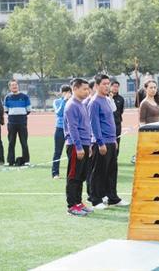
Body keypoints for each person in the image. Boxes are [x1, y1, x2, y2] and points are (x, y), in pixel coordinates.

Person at [87, 74, 128, 209]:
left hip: (111, 141)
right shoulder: (94, 102)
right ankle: (96, 199)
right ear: (97, 85)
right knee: (98, 172)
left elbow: (110, 121)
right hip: (101, 142)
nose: (107, 86)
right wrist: (100, 142)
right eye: (104, 84)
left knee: (111, 171)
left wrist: (113, 140)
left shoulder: (106, 100)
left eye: (108, 84)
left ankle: (112, 197)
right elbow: (95, 125)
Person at [63, 78, 93, 216]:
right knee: (74, 176)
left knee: (81, 176)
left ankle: (79, 203)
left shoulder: (81, 104)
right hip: (76, 146)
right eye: (84, 89)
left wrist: (89, 144)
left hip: (85, 144)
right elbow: (73, 128)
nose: (87, 91)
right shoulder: (71, 105)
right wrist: (79, 146)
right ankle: (72, 206)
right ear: (75, 89)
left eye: (88, 89)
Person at [4, 79, 32, 166]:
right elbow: (6, 110)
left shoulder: (25, 96)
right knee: (11, 142)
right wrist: (14, 115)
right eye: (12, 85)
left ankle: (26, 160)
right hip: (12, 123)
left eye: (15, 85)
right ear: (10, 87)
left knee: (24, 142)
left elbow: (28, 110)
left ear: (18, 86)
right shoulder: (7, 97)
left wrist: (20, 116)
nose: (14, 86)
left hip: (22, 123)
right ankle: (10, 161)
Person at [51, 84, 72, 179]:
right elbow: (59, 112)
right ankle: (55, 173)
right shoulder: (57, 101)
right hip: (60, 128)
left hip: (71, 129)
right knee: (57, 152)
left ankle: (72, 173)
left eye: (69, 92)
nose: (67, 94)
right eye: (65, 92)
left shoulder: (73, 102)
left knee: (71, 152)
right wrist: (64, 100)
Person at [110, 81, 124, 155]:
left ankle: (115, 157)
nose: (115, 88)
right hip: (108, 124)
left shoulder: (121, 99)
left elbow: (121, 111)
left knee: (117, 140)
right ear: (110, 87)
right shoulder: (107, 97)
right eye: (114, 86)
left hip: (117, 123)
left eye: (117, 87)